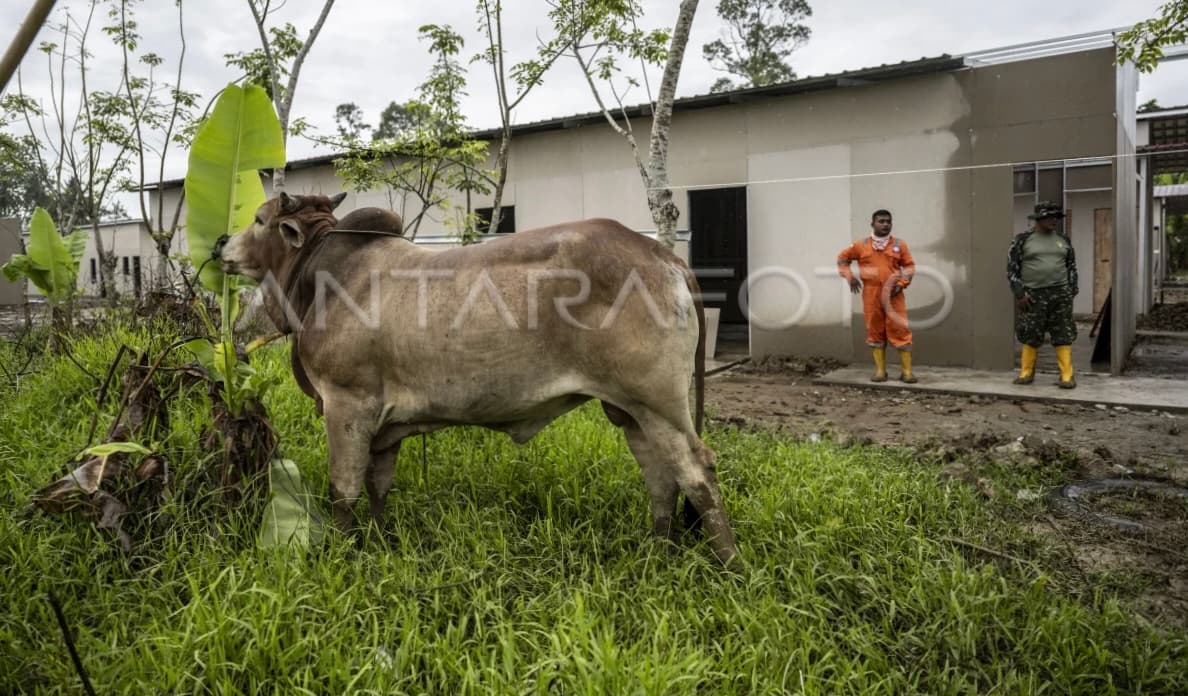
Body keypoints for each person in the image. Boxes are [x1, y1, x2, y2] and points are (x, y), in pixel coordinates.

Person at [837, 209, 917, 383]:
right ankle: (880, 372)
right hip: (871, 293)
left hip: (893, 293)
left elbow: (909, 266)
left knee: (900, 328)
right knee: (874, 329)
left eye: (888, 221)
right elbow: (842, 259)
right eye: (881, 221)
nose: (885, 224)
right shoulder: (861, 245)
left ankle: (907, 372)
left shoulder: (899, 244)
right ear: (872, 224)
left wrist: (902, 283)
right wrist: (849, 277)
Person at [1007, 201, 1078, 389]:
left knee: (1063, 333)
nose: (1054, 220)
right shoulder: (1022, 240)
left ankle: (1067, 376)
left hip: (1060, 294)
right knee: (1030, 333)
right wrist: (1020, 294)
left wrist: (1071, 290)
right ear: (1039, 219)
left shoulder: (1063, 240)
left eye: (1057, 217)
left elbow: (1071, 266)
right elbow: (1012, 269)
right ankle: (1026, 373)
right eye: (1050, 217)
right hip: (1033, 295)